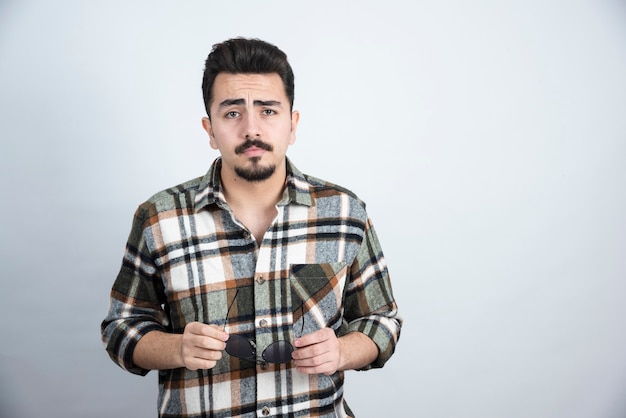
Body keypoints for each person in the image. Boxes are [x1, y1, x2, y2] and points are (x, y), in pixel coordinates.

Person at [101, 37, 401, 418]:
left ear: (293, 125)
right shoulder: (159, 217)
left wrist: (342, 351)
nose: (251, 129)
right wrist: (177, 348)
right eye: (232, 113)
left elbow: (382, 322)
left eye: (269, 111)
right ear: (210, 129)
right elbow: (120, 330)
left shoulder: (344, 212)